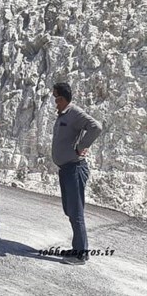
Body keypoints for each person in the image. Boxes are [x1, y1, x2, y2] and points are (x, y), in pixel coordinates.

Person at [51, 82, 102, 265]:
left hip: (75, 168)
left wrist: (81, 146)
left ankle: (81, 254)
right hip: (66, 169)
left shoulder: (74, 113)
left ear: (63, 98)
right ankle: (76, 247)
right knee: (70, 209)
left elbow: (96, 127)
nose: (55, 102)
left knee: (76, 211)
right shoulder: (63, 114)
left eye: (56, 98)